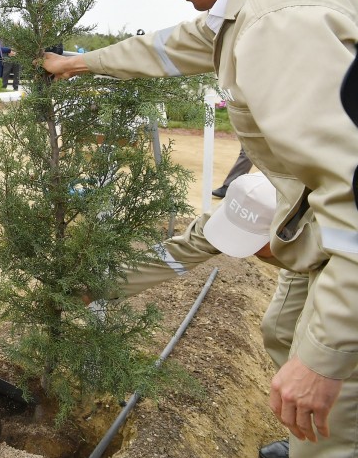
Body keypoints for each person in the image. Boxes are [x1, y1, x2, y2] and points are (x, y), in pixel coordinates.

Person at [43, 0, 358, 457]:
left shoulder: (281, 25)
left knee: (330, 422)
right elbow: (169, 47)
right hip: (315, 229)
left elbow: (354, 197)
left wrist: (324, 359)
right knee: (283, 329)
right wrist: (80, 62)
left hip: (344, 255)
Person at [99, 173, 305, 458]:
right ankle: (306, 434)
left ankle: (337, 440)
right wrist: (98, 285)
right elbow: (180, 251)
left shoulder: (328, 229)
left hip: (341, 269)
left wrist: (319, 364)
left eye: (254, 242)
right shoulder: (248, 206)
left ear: (284, 226)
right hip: (302, 259)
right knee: (279, 329)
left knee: (332, 356)